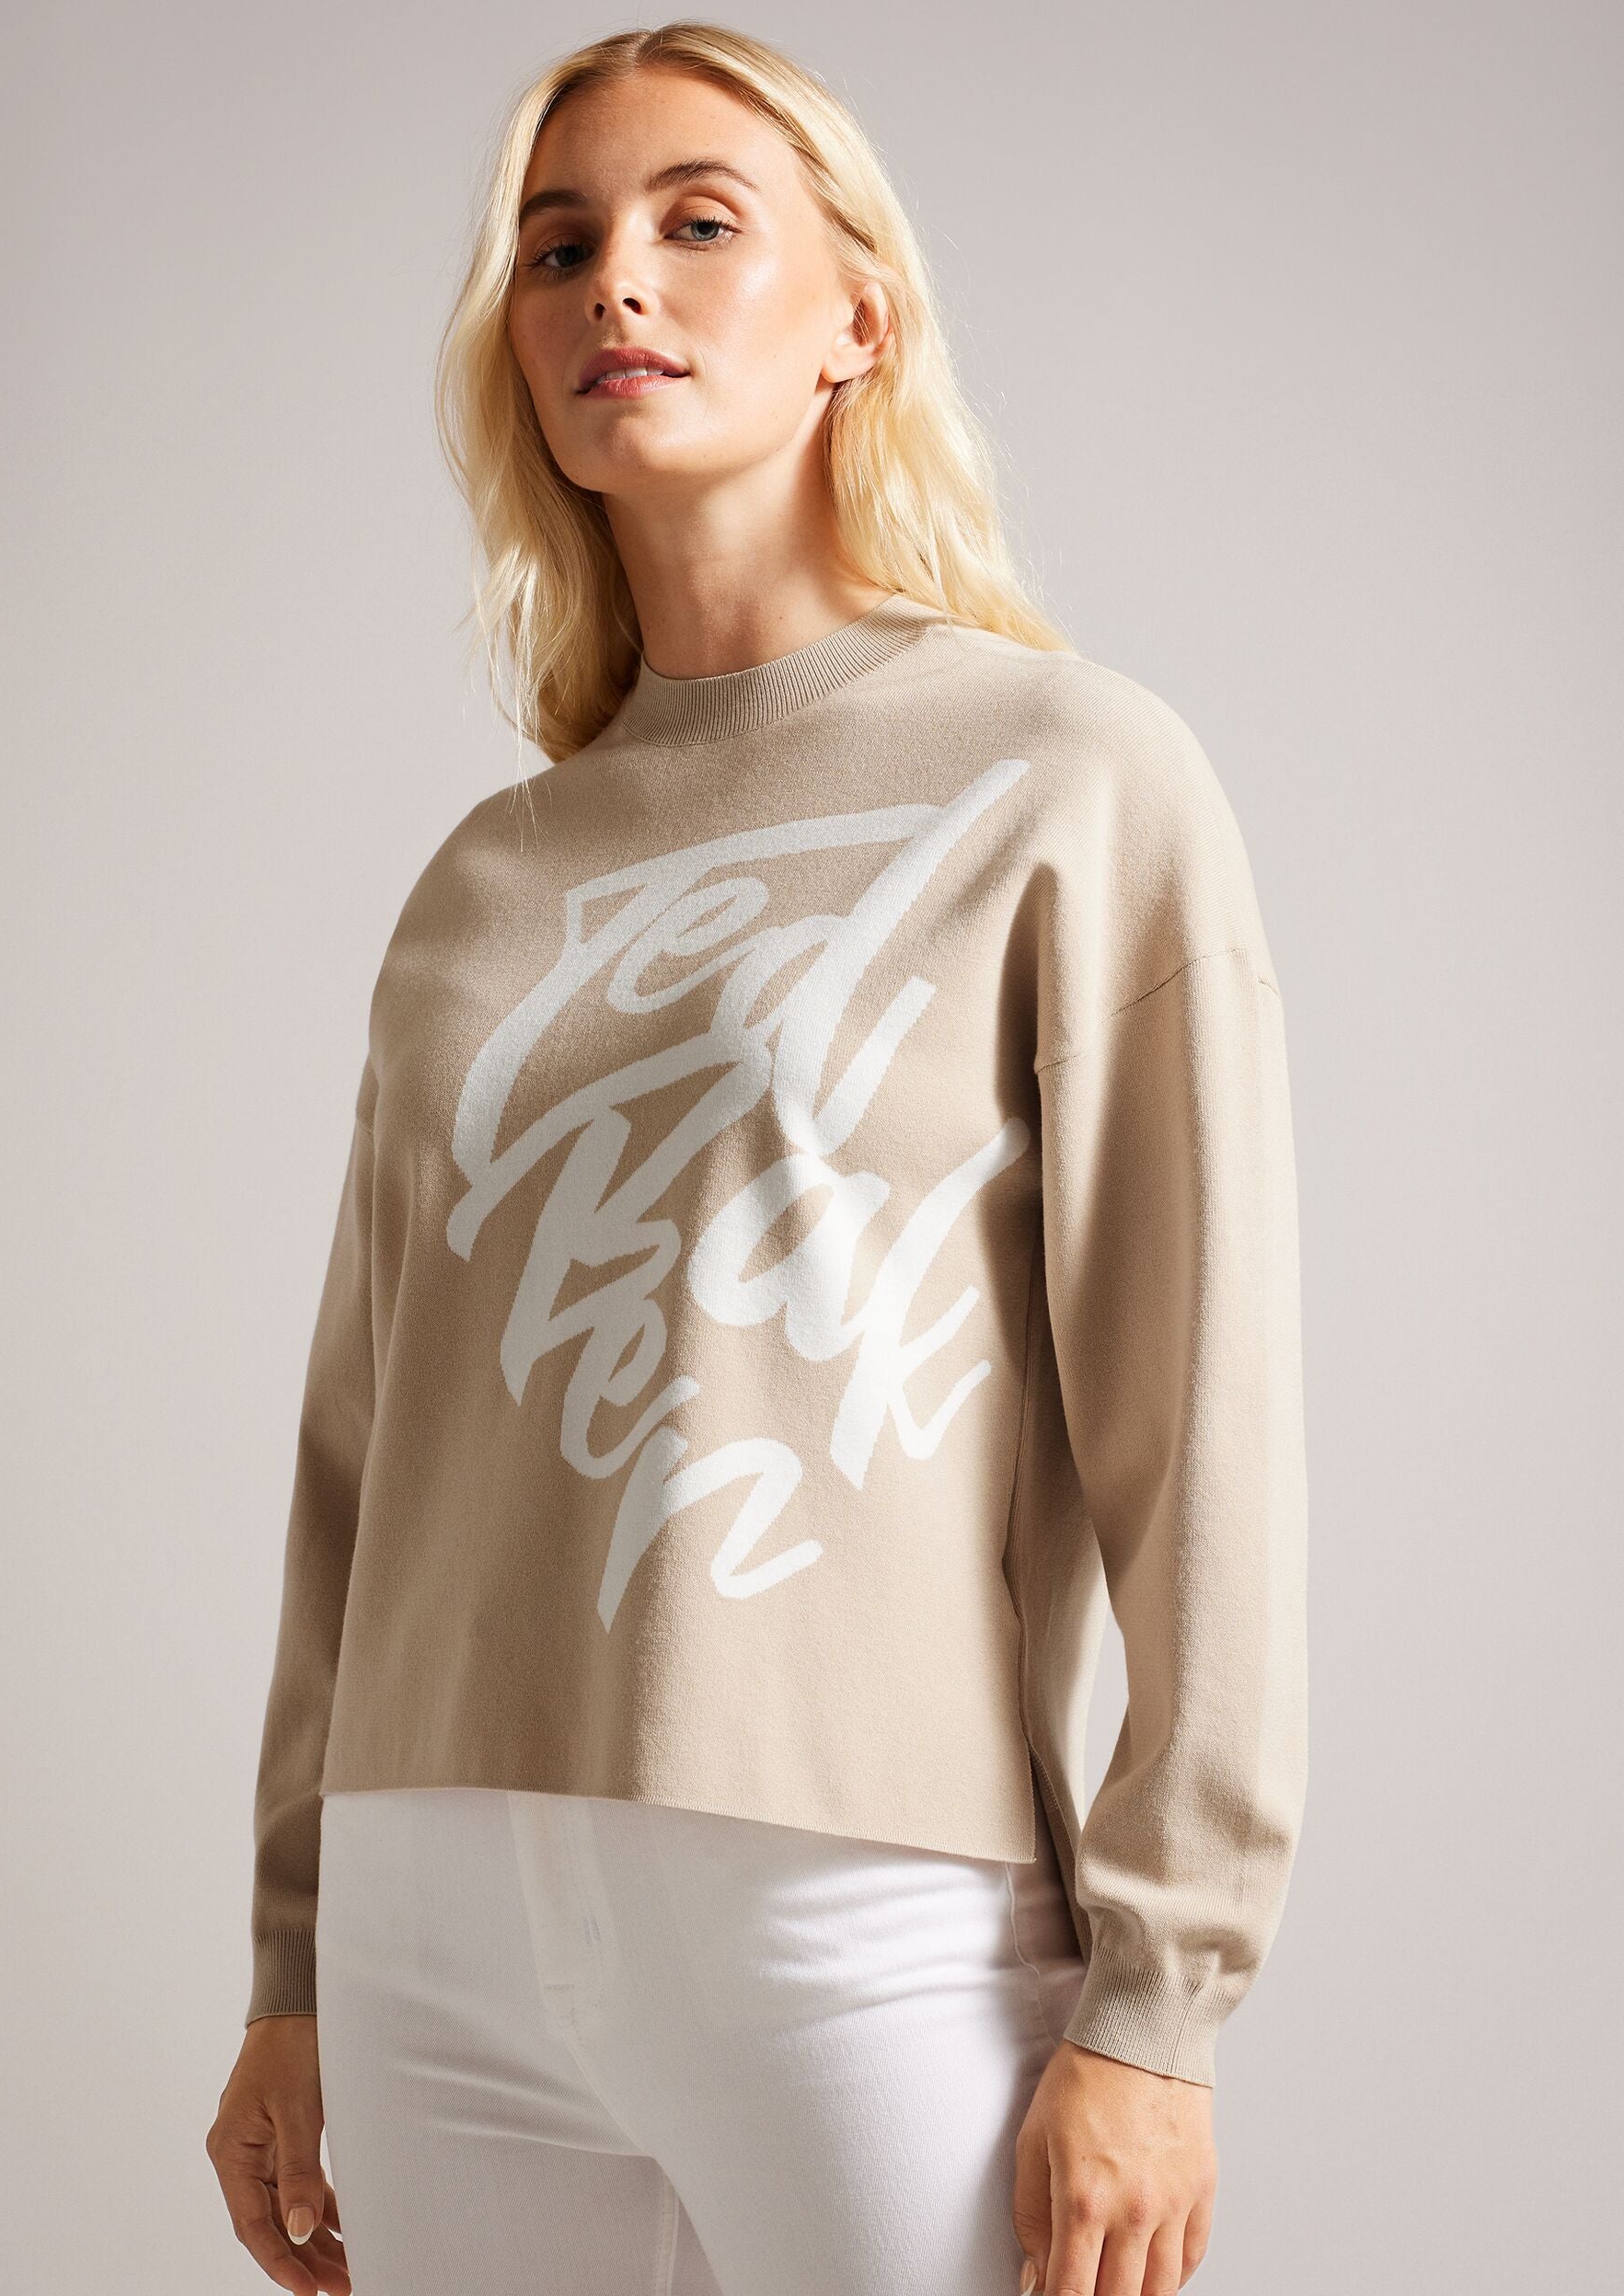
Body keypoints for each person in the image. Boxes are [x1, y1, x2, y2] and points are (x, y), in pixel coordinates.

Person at [205, 22, 1308, 2296]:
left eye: (699, 223)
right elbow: (360, 1449)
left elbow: (1200, 1428)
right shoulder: (487, 877)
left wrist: (1163, 2001)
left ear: (856, 319)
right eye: (557, 247)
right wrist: (294, 1948)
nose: (617, 281)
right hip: (431, 1923)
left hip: (860, 1905)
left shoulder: (1064, 778)